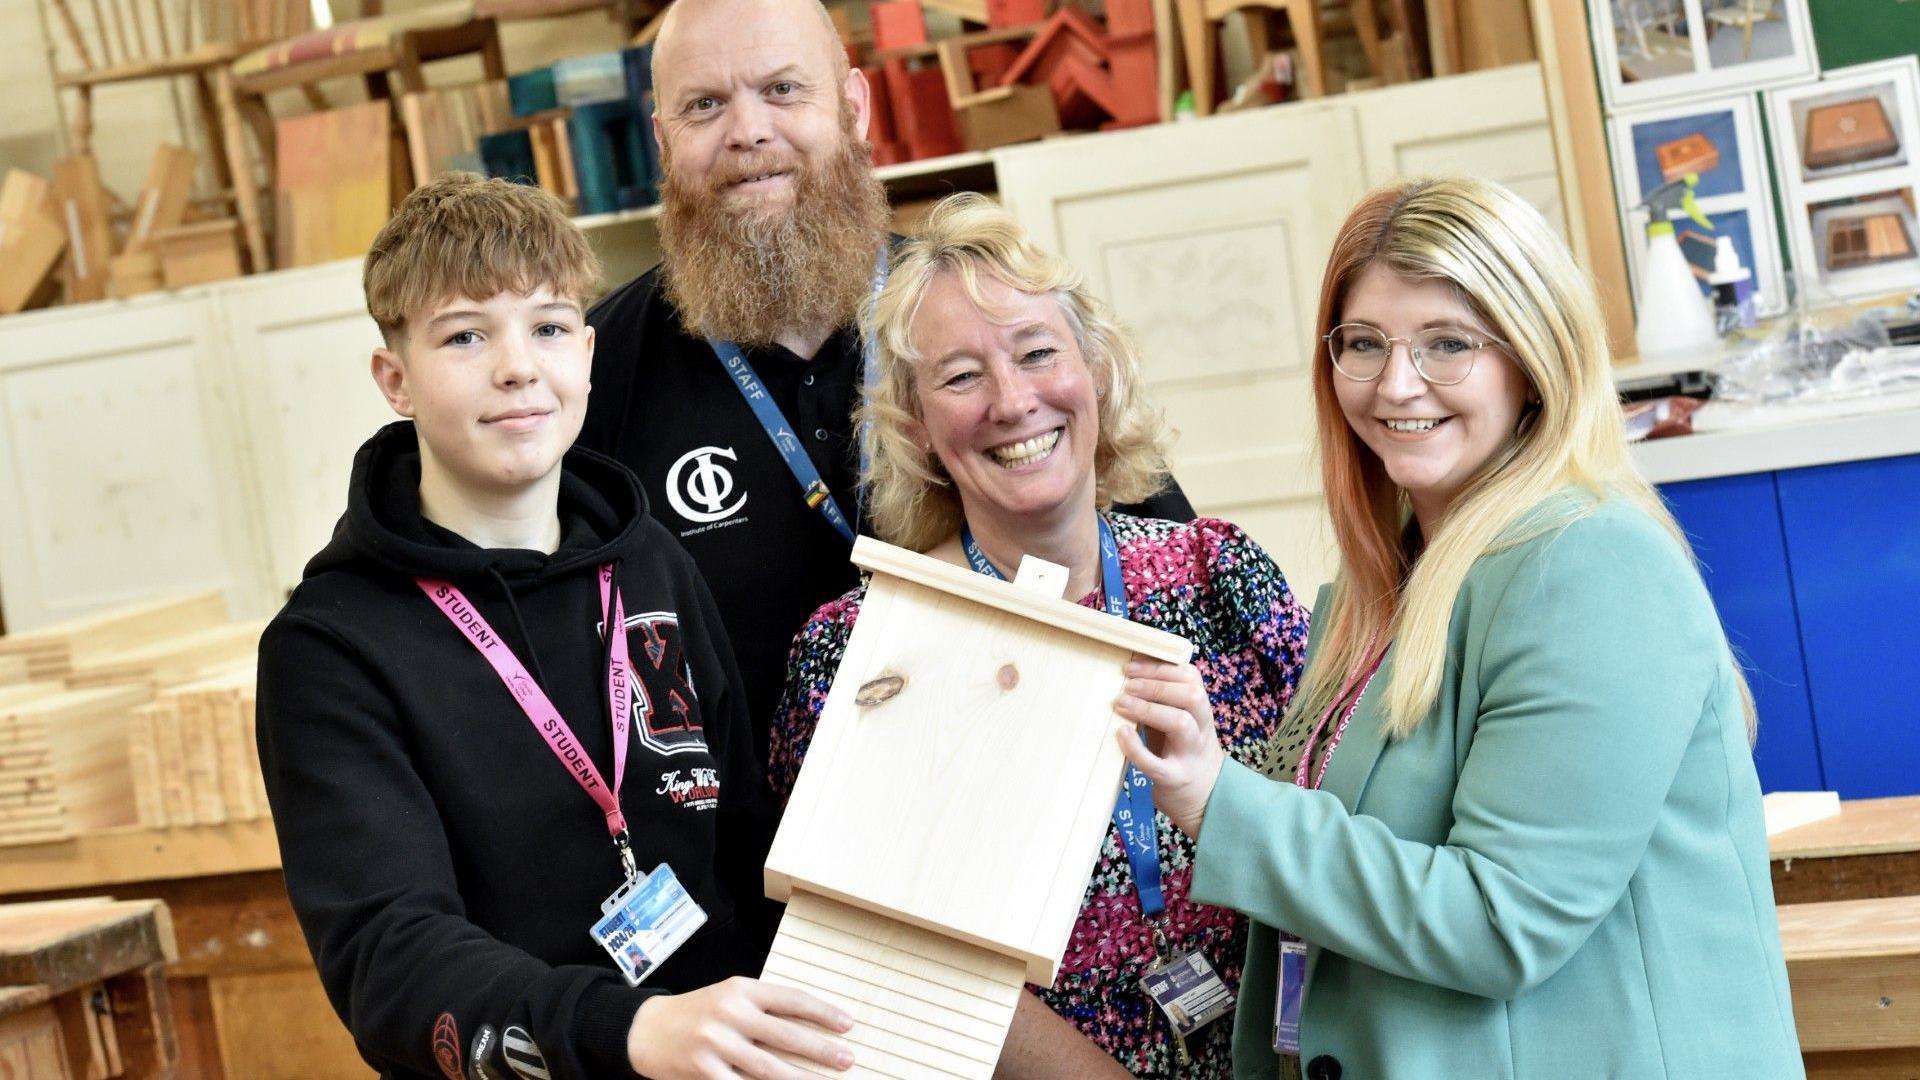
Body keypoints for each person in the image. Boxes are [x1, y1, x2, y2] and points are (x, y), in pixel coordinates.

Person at [1115, 177, 1804, 1079]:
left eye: (1447, 344)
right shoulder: (1382, 587)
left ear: (1533, 360)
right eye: (1363, 344)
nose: (1397, 384)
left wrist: (1220, 803)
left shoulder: (1592, 566)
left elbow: (1500, 920)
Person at [256, 174, 856, 1080]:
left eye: (545, 327)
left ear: (585, 353)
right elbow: (393, 959)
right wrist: (627, 1031)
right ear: (395, 380)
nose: (517, 367)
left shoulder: (653, 563)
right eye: (465, 335)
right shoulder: (330, 649)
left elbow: (748, 847)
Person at [768, 193, 1310, 1079]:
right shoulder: (864, 654)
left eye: (1036, 352)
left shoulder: (1221, 575)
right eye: (961, 376)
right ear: (916, 425)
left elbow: (1328, 825)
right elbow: (875, 961)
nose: (1014, 401)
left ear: (1096, 371)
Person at [578, 0, 1192, 758]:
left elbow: (1163, 559)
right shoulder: (590, 374)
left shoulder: (986, 315)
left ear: (854, 108)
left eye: (781, 90)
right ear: (663, 141)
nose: (747, 132)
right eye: (705, 105)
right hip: (742, 866)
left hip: (1040, 812)